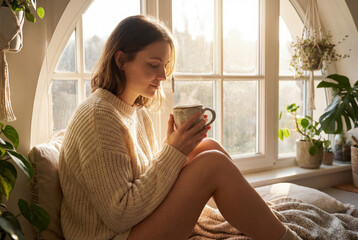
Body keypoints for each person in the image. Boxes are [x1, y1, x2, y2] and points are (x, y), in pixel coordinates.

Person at [59, 15, 294, 240]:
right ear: (120, 60)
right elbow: (119, 216)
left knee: (206, 147)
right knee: (213, 165)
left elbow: (142, 179)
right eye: (153, 65)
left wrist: (174, 147)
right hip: (114, 235)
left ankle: (262, 220)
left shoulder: (136, 112)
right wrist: (173, 153)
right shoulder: (99, 116)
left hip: (135, 224)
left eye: (166, 66)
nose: (162, 76)